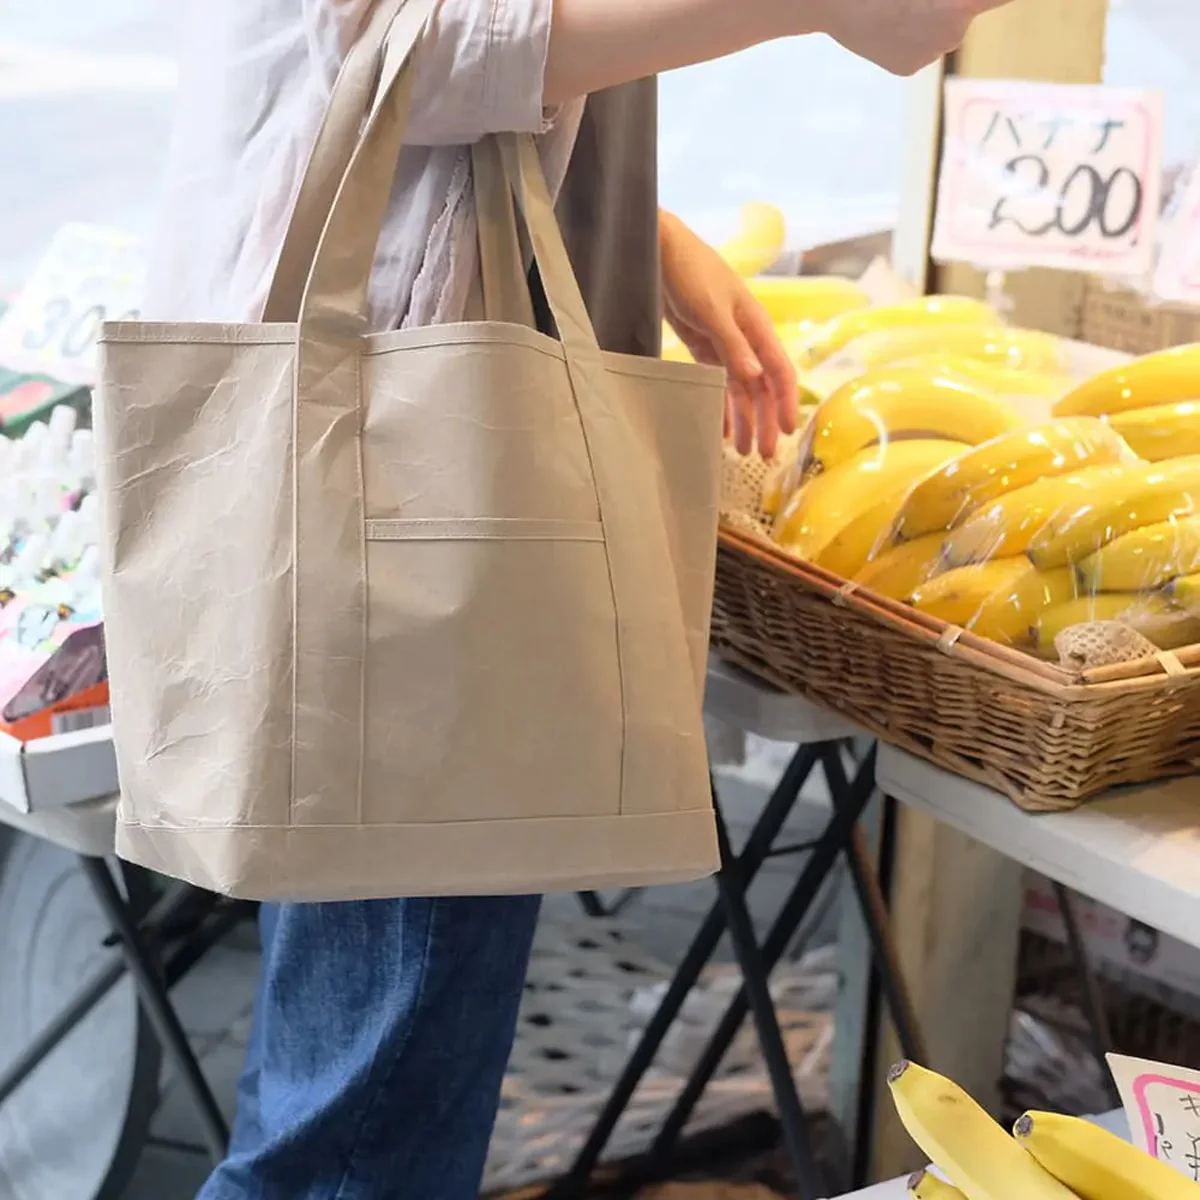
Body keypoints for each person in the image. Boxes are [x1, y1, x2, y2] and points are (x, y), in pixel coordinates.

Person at [142, 1, 1012, 1195]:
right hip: (424, 477)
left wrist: (642, 231)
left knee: (362, 1088)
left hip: (412, 455)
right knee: (355, 1137)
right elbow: (388, 41)